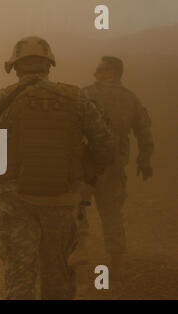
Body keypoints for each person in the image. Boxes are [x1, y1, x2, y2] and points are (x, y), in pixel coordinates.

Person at [0, 37, 115, 299]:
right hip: (63, 202)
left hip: (17, 201)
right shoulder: (76, 98)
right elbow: (106, 146)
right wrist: (86, 177)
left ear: (16, 67)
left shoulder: (1, 101)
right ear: (48, 65)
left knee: (20, 280)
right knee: (60, 280)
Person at [81, 56, 154, 279]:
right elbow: (144, 132)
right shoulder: (131, 99)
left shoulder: (86, 94)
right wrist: (144, 160)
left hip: (86, 166)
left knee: (77, 210)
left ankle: (79, 254)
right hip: (113, 167)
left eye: (100, 69)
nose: (95, 72)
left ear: (112, 71)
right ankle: (116, 261)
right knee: (112, 214)